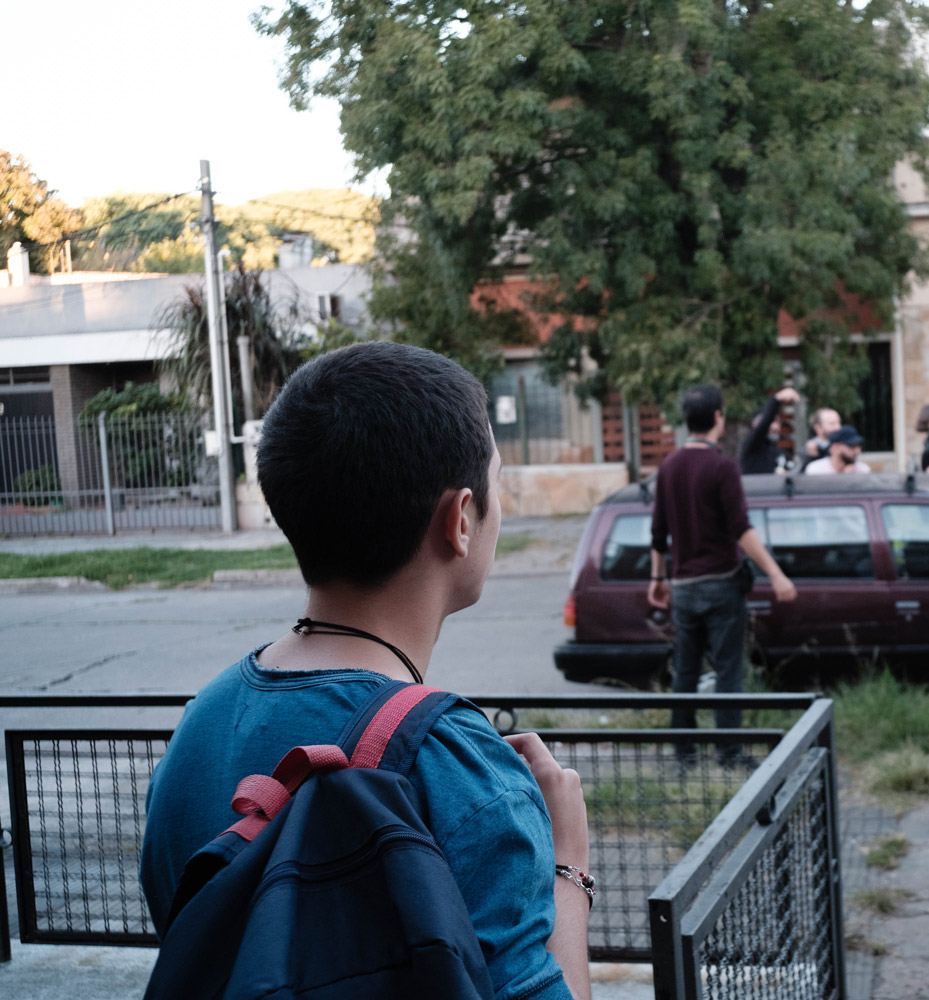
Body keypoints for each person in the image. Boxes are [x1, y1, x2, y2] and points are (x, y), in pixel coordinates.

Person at [139, 342, 591, 1000]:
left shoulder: (199, 729)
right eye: (498, 483)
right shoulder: (462, 772)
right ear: (460, 520)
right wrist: (568, 865)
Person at [649, 385, 797, 760]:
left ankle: (683, 753)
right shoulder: (723, 466)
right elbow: (741, 530)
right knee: (729, 671)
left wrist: (657, 579)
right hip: (721, 585)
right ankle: (729, 752)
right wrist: (776, 574)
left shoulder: (668, 466)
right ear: (718, 417)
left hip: (683, 588)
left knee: (685, 672)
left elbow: (658, 531)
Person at [739, 386, 800, 475]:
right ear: (755, 424)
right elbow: (763, 426)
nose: (776, 427)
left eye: (778, 422)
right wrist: (777, 399)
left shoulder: (780, 453)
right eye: (772, 422)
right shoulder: (751, 447)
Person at [804, 425, 871, 474]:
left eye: (858, 446)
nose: (858, 451)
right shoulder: (816, 470)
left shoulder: (862, 470)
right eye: (851, 446)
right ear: (835, 448)